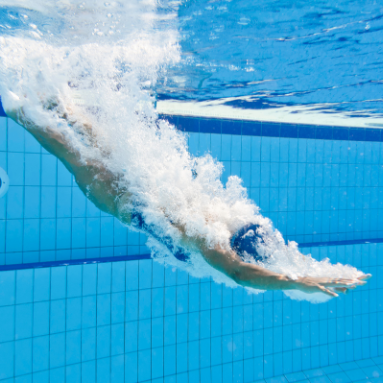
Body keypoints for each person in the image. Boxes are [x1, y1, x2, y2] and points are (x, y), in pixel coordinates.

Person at [5, 100, 370, 298]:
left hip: (137, 180)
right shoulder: (212, 241)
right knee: (67, 145)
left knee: (81, 126)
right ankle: (18, 99)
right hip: (123, 200)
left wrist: (307, 272)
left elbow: (259, 263)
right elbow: (240, 274)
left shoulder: (225, 217)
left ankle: (31, 91)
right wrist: (294, 281)